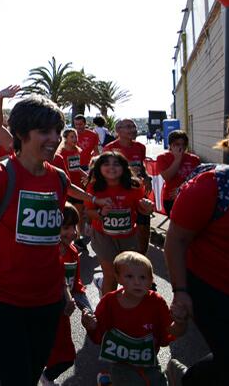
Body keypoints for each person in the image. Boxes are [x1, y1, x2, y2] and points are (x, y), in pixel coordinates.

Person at [0, 96, 108, 385]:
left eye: (57, 131)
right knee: (17, 378)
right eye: (45, 131)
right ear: (21, 134)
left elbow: (50, 245)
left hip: (46, 302)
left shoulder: (58, 180)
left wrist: (64, 292)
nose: (54, 138)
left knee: (31, 373)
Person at [164, 106, 229, 386]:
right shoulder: (213, 186)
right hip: (220, 295)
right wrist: (181, 291)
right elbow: (176, 240)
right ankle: (187, 379)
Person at [82, 252, 186, 386]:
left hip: (149, 360)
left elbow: (168, 333)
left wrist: (180, 321)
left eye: (143, 277)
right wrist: (91, 325)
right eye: (129, 276)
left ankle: (108, 380)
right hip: (120, 362)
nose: (137, 282)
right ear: (118, 278)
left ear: (151, 280)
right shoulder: (109, 302)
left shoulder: (156, 302)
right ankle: (109, 380)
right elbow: (99, 334)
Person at [85, 152, 154, 295]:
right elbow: (89, 212)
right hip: (103, 236)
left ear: (124, 167)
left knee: (129, 275)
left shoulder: (134, 186)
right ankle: (106, 311)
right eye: (106, 164)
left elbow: (142, 210)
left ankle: (128, 308)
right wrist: (101, 213)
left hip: (129, 236)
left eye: (116, 164)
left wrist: (146, 208)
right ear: (99, 168)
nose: (111, 167)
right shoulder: (93, 188)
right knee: (111, 276)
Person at [41, 205, 93, 386]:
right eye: (65, 227)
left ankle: (47, 377)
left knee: (66, 357)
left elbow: (76, 286)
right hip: (42, 315)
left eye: (74, 227)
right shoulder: (43, 253)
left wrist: (87, 308)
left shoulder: (73, 253)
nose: (72, 232)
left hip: (62, 318)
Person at [104, 119, 150, 253]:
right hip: (120, 193)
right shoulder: (110, 148)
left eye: (134, 127)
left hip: (139, 191)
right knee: (122, 228)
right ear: (118, 131)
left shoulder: (140, 147)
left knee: (144, 224)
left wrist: (147, 177)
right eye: (128, 127)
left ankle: (142, 257)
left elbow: (141, 166)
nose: (133, 130)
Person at [155, 130, 201, 216]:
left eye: (183, 144)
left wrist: (182, 189)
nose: (181, 147)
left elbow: (198, 180)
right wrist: (177, 159)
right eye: (177, 144)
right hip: (171, 198)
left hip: (189, 196)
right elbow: (167, 177)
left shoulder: (194, 159)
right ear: (170, 145)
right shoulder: (162, 158)